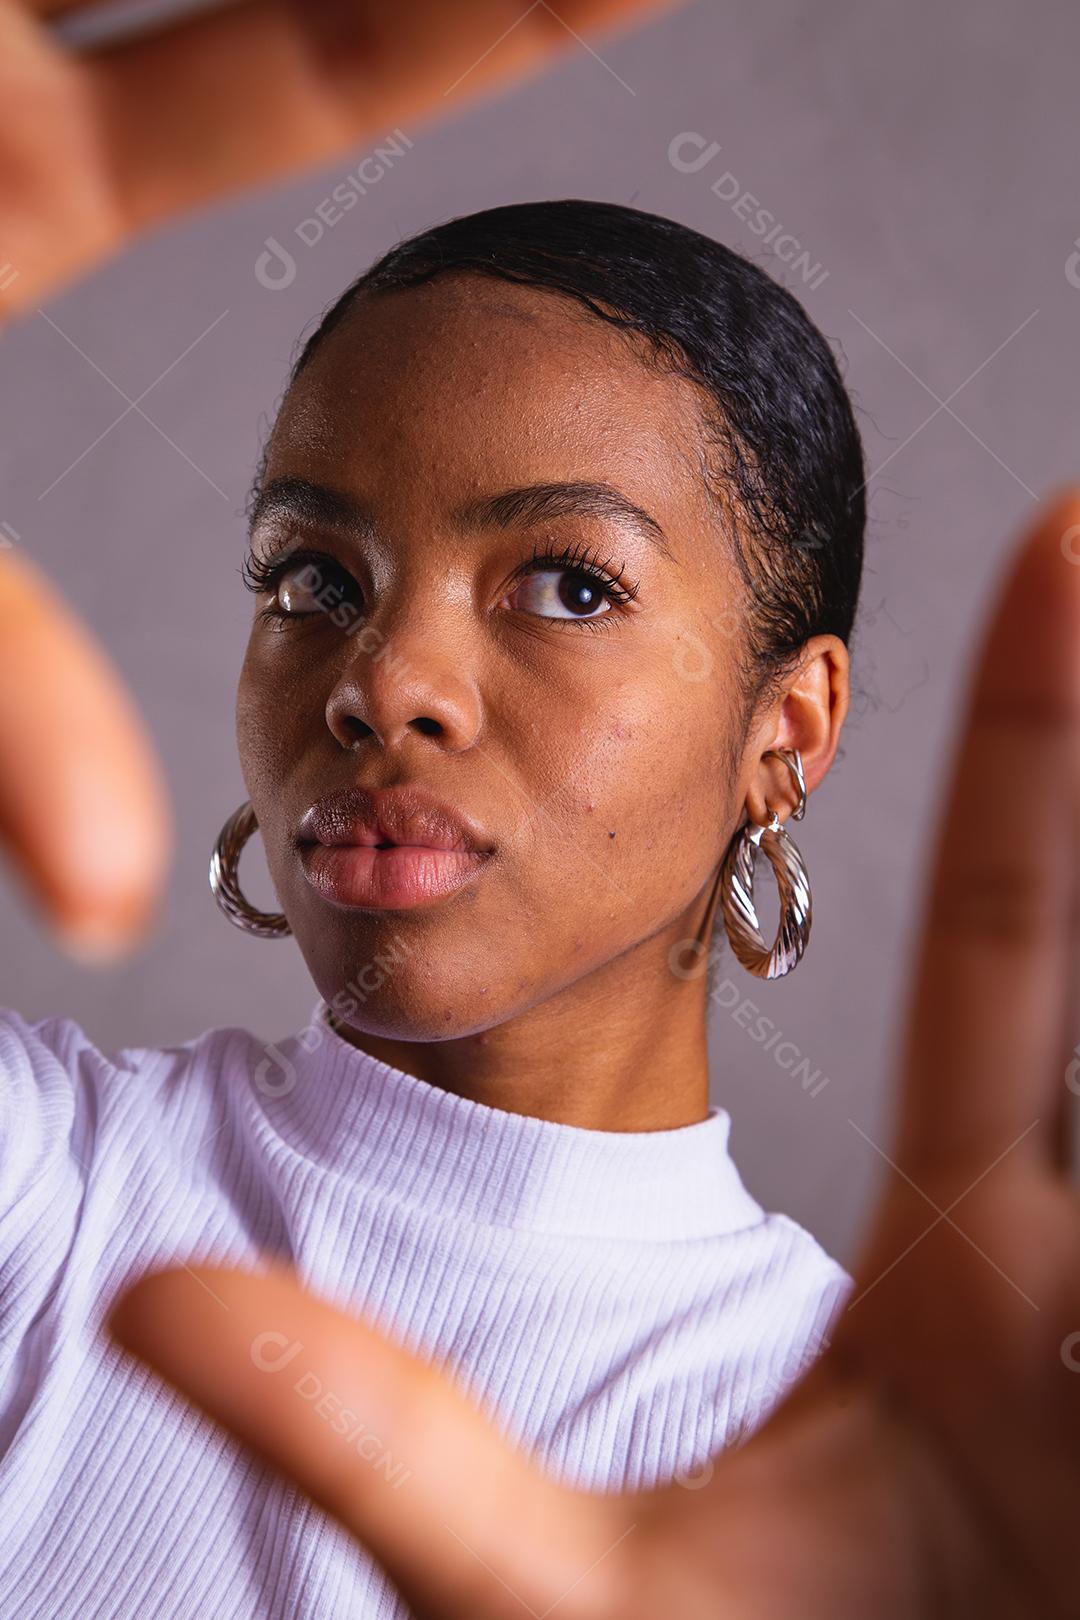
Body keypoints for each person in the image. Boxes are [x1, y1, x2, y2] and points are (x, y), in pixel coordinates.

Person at [2, 6, 1077, 1619]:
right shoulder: (46, 1193)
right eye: (314, 577)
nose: (385, 680)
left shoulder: (876, 1453)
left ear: (785, 736)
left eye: (568, 585)